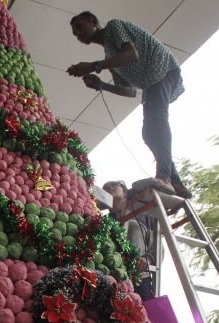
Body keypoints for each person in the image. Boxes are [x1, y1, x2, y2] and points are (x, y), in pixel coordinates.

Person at [67, 11, 192, 199]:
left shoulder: (114, 27)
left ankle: (165, 177)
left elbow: (131, 54)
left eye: (80, 27)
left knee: (158, 119)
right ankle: (177, 183)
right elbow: (129, 91)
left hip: (163, 70)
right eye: (75, 34)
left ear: (93, 21)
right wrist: (102, 85)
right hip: (151, 85)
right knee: (148, 134)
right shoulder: (109, 55)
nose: (78, 34)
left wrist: (94, 66)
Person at [103, 180, 154, 300]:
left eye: (114, 185)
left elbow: (158, 248)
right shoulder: (104, 222)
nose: (110, 187)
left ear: (125, 194)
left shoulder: (142, 215)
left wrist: (148, 259)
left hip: (139, 277)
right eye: (105, 187)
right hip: (113, 278)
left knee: (143, 313)